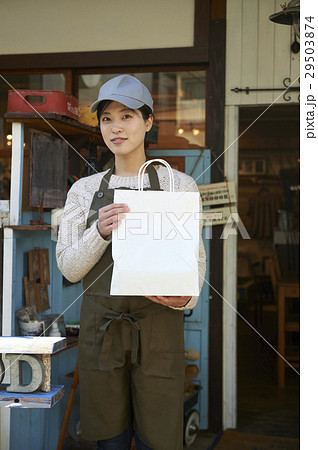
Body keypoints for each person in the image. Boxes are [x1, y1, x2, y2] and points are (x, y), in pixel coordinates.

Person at [56, 75, 206, 450]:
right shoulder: (83, 191)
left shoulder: (179, 186)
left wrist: (184, 299)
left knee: (160, 440)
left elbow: (195, 260)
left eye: (127, 116)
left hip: (158, 328)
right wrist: (99, 232)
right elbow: (69, 268)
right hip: (101, 332)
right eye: (107, 118)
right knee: (110, 440)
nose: (116, 127)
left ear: (148, 121)